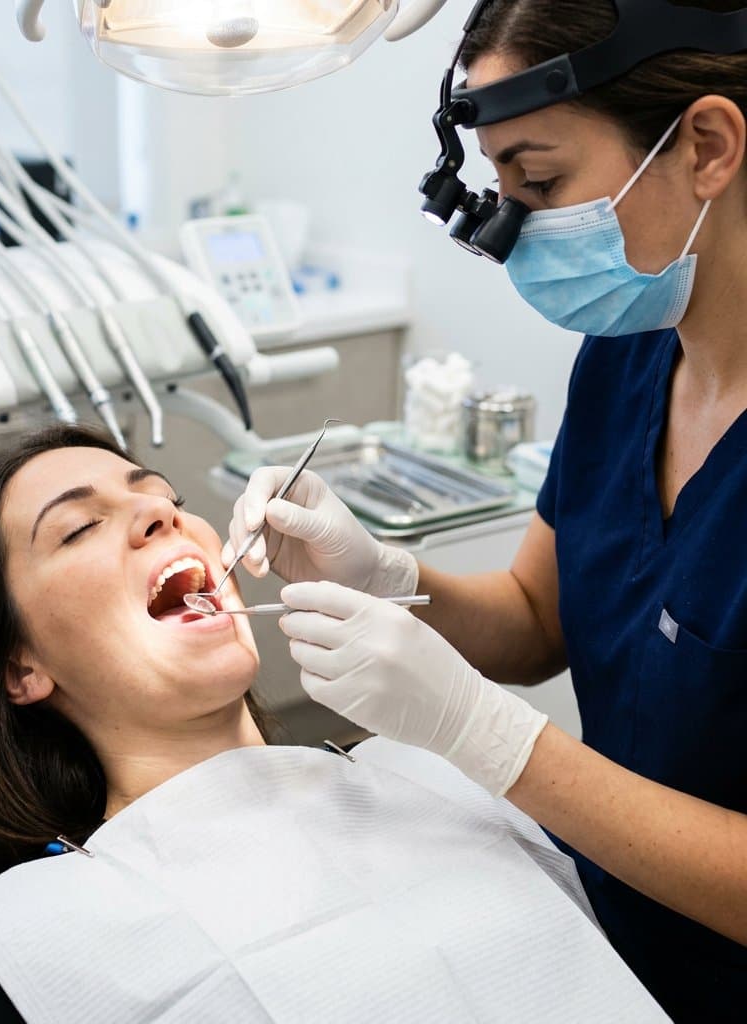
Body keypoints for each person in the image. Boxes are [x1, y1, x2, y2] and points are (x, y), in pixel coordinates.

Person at [226, 2, 747, 1019]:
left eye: (539, 181)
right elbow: (535, 617)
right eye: (498, 187)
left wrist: (493, 742)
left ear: (708, 146)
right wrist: (384, 575)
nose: (512, 231)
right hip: (598, 946)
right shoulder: (627, 351)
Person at [0, 423, 659, 1022]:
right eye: (77, 529)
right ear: (21, 669)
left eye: (161, 494)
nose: (158, 513)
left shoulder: (428, 776)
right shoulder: (50, 944)